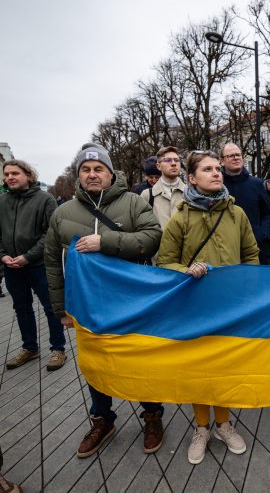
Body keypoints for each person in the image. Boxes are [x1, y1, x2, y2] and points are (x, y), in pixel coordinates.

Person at [44, 143, 164, 458]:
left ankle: (152, 415)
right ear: (78, 176)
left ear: (111, 174)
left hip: (132, 303)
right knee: (95, 364)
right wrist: (61, 310)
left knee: (139, 362)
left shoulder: (134, 203)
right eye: (86, 169)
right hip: (88, 307)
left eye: (99, 169)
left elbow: (152, 240)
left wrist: (106, 241)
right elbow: (53, 265)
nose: (93, 174)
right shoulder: (62, 213)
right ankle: (102, 420)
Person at [157, 150, 259, 465]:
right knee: (200, 370)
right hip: (195, 307)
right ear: (192, 178)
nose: (216, 173)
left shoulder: (236, 214)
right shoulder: (181, 217)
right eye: (207, 169)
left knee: (225, 367)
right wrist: (185, 271)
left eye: (218, 168)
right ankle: (201, 428)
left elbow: (251, 253)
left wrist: (247, 287)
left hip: (230, 307)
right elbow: (164, 262)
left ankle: (223, 425)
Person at [0, 160, 66, 371]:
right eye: (7, 174)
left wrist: (28, 256)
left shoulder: (45, 199)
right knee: (21, 308)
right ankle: (30, 347)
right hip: (11, 266)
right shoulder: (1, 201)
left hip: (38, 264)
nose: (9, 177)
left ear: (28, 175)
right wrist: (2, 256)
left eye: (15, 173)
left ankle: (58, 349)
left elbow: (50, 233)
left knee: (50, 307)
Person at [220, 143, 270, 261]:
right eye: (231, 155)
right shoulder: (218, 185)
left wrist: (262, 233)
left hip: (256, 247)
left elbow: (268, 212)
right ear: (222, 161)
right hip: (226, 247)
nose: (236, 158)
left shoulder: (257, 183)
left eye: (238, 155)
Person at [140, 146, 185, 230]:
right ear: (158, 166)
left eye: (176, 160)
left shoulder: (190, 193)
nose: (173, 163)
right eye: (167, 160)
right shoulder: (147, 195)